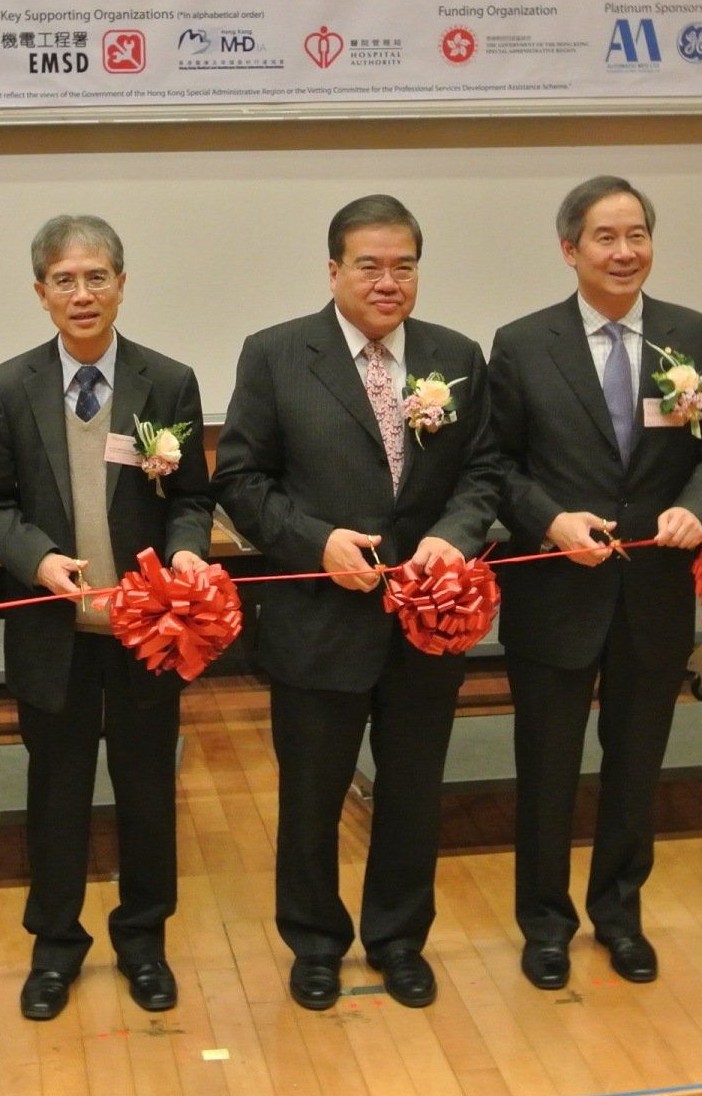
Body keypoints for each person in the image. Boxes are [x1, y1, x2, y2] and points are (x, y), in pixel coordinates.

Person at [214, 194, 503, 1010]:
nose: (387, 282)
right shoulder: (275, 355)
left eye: (403, 266)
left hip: (427, 617)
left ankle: (399, 937)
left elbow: (482, 469)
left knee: (413, 791)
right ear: (333, 269)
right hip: (319, 618)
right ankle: (313, 941)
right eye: (369, 265)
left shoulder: (455, 354)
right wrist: (315, 543)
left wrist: (454, 531)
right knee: (311, 793)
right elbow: (240, 479)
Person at [487, 175, 702, 988]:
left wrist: (697, 507)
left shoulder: (693, 337)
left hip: (655, 594)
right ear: (570, 250)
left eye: (636, 234)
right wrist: (549, 519)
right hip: (558, 593)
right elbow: (495, 465)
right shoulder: (522, 344)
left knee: (636, 766)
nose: (624, 251)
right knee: (548, 767)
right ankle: (545, 923)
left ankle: (620, 915)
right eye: (605, 237)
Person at [0, 215, 213, 1021]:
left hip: (148, 636)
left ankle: (143, 942)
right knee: (56, 797)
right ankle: (56, 947)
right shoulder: (7, 387)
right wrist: (36, 559)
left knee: (147, 794)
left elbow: (190, 499)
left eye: (97, 277)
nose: (83, 294)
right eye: (65, 280)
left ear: (121, 283)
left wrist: (183, 552)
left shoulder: (167, 381)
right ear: (41, 292)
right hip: (53, 636)